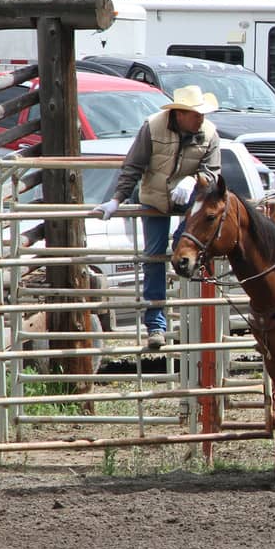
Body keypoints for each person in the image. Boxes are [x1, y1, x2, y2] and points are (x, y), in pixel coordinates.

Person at [95, 84, 221, 351]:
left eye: (202, 113)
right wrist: (117, 198)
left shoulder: (209, 134)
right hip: (154, 199)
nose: (201, 118)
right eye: (196, 113)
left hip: (189, 203)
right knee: (153, 256)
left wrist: (194, 179)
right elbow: (134, 165)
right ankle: (156, 324)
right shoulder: (153, 128)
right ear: (180, 113)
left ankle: (175, 312)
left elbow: (213, 173)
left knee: (183, 246)